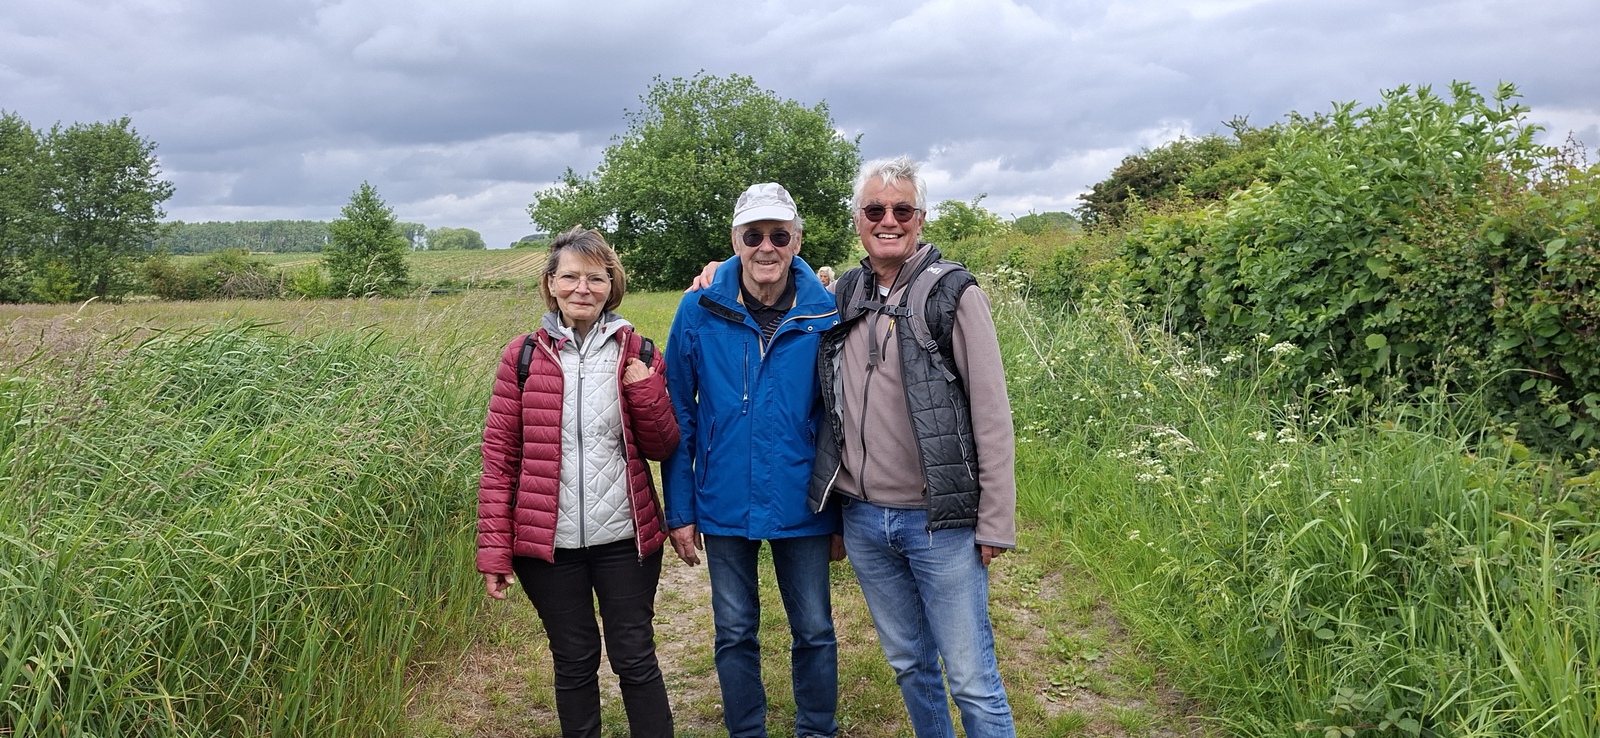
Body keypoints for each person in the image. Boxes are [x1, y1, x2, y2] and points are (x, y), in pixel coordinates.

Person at [809, 156, 1019, 737]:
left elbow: (992, 412)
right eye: (876, 209)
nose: (889, 220)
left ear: (920, 218)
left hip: (939, 523)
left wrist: (995, 519)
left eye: (902, 209)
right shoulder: (845, 290)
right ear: (858, 220)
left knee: (972, 679)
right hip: (863, 519)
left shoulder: (954, 293)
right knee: (909, 665)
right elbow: (770, 276)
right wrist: (717, 271)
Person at [477, 226, 680, 738]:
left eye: (595, 278)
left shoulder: (640, 352)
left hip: (625, 540)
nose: (582, 289)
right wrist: (495, 551)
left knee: (635, 656)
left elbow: (663, 446)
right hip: (548, 546)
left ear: (612, 285)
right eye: (570, 277)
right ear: (551, 283)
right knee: (573, 659)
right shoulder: (522, 357)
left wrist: (645, 391)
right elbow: (499, 460)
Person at [663, 182, 842, 738]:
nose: (767, 247)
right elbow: (678, 414)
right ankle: (747, 731)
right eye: (754, 235)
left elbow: (841, 418)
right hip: (724, 496)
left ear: (797, 241)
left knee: (814, 627)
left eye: (779, 235)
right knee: (735, 630)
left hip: (803, 499)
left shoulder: (827, 311)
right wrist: (680, 509)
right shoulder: (698, 308)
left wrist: (840, 511)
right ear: (735, 240)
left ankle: (817, 730)